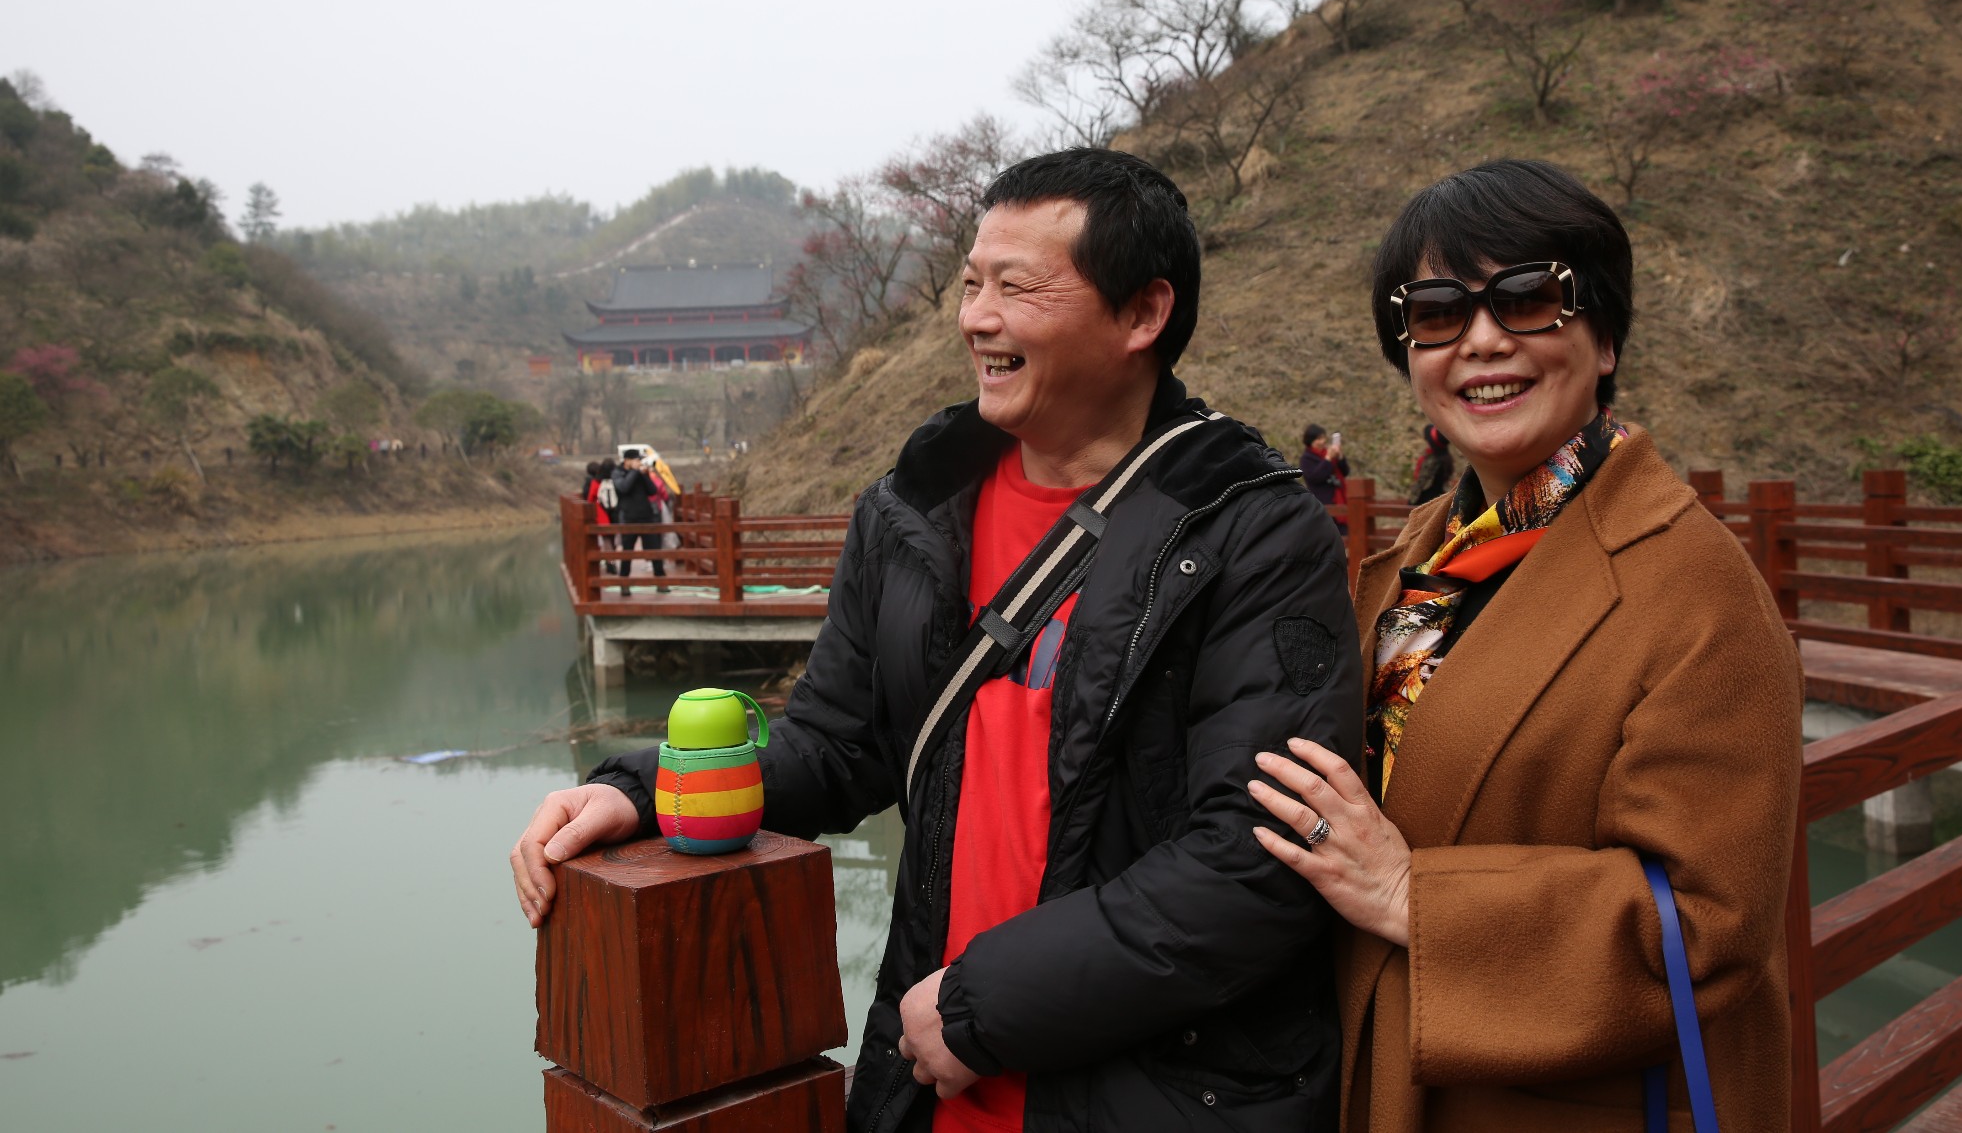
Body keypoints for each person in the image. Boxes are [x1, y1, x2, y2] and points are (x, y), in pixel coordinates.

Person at [512, 148, 1364, 1133]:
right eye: (968, 285)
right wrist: (640, 791)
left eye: (1016, 287)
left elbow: (1259, 856)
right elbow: (836, 745)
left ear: (1142, 315)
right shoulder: (917, 510)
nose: (975, 318)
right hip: (933, 1086)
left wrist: (983, 1006)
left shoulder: (1247, 531)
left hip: (1149, 1094)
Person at [1245, 159, 1802, 1131]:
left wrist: (1412, 894)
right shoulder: (1409, 565)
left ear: (1604, 339)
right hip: (1377, 1079)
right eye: (1435, 312)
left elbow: (1709, 920)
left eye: (1527, 299)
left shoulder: (1691, 588)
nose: (1481, 340)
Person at [609, 449, 667, 595]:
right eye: (636, 460)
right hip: (628, 518)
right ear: (627, 460)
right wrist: (634, 472)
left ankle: (661, 582)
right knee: (627, 553)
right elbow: (624, 488)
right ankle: (624, 584)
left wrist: (645, 474)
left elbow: (653, 491)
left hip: (646, 516)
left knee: (655, 551)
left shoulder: (640, 473)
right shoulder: (617, 473)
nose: (639, 462)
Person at [1299, 423, 1351, 507]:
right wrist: (1328, 459)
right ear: (1310, 441)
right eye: (1319, 439)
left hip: (1340, 496)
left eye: (1323, 438)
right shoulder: (1306, 459)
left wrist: (1340, 457)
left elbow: (1345, 472)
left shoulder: (1329, 453)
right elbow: (1315, 478)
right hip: (1322, 501)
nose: (1322, 441)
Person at [1408, 423, 1452, 505]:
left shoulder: (1432, 461)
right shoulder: (1447, 459)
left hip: (1426, 500)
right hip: (1439, 499)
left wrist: (1411, 501)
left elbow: (1422, 482)